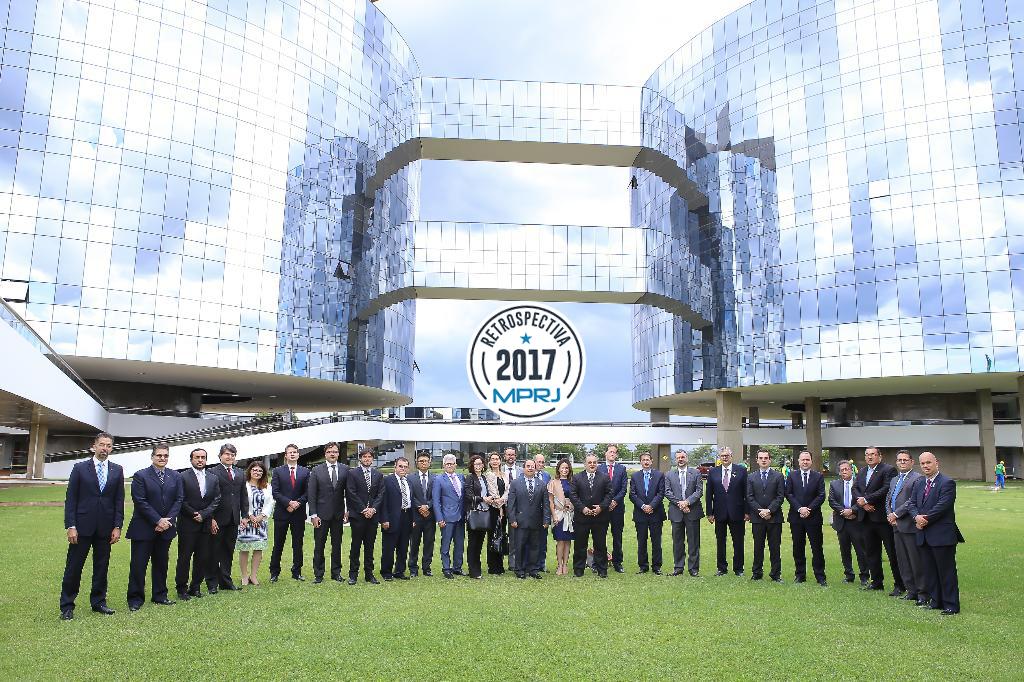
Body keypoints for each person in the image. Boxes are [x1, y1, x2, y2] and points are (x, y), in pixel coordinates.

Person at [60, 432, 125, 620]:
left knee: (101, 567)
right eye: (102, 444)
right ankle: (67, 606)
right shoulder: (80, 468)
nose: (105, 448)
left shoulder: (117, 470)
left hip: (106, 528)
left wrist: (117, 526)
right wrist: (71, 526)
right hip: (81, 527)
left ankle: (98, 602)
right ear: (94, 446)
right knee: (74, 567)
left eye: (108, 445)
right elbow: (71, 499)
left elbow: (119, 500)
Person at [126, 444, 183, 612]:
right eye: (159, 455)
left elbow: (179, 499)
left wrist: (167, 521)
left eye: (165, 455)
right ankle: (135, 599)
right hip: (144, 528)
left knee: (161, 563)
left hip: (166, 528)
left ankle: (160, 595)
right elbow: (140, 501)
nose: (162, 458)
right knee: (138, 565)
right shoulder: (140, 476)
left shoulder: (175, 476)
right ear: (152, 457)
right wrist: (157, 520)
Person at [909, 451, 963, 615]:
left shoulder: (947, 483)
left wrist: (924, 519)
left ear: (936, 463)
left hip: (942, 535)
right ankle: (936, 601)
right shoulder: (919, 483)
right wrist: (916, 517)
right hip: (924, 535)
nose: (925, 466)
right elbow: (911, 503)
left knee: (946, 572)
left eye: (928, 462)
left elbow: (943, 506)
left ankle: (951, 605)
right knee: (930, 571)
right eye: (922, 463)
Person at [852, 446, 902, 594]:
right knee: (871, 552)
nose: (870, 457)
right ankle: (876, 582)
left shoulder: (888, 470)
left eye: (873, 454)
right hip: (866, 519)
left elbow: (886, 488)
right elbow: (855, 488)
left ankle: (900, 584)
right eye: (867, 454)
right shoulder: (862, 471)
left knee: (892, 553)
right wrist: (863, 503)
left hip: (882, 519)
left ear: (880, 456)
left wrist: (867, 499)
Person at [175, 448, 221, 600]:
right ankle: (181, 589)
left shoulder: (213, 478)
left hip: (205, 524)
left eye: (203, 457)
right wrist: (194, 514)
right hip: (187, 524)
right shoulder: (182, 476)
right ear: (191, 459)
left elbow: (216, 499)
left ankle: (195, 587)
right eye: (197, 457)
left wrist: (204, 514)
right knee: (184, 557)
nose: (200, 460)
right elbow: (180, 499)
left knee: (202, 557)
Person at [206, 443, 247, 593]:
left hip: (233, 518)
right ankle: (212, 583)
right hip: (217, 519)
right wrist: (210, 518)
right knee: (213, 551)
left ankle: (225, 581)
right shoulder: (211, 472)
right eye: (227, 454)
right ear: (220, 456)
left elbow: (243, 495)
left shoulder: (240, 472)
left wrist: (245, 515)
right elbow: (208, 497)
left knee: (228, 551)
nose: (230, 457)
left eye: (232, 455)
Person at [886, 449, 925, 604]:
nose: (902, 462)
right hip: (896, 526)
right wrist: (890, 514)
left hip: (909, 525)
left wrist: (896, 514)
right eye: (899, 460)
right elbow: (888, 499)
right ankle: (911, 590)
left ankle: (922, 593)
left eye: (905, 460)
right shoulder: (894, 479)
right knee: (903, 561)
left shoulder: (917, 478)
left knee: (915, 561)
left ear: (911, 462)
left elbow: (912, 501)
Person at [785, 449, 827, 586]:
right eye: (803, 459)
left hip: (813, 517)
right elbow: (789, 494)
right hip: (796, 518)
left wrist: (809, 509)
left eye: (807, 459)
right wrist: (800, 508)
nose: (805, 462)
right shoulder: (792, 475)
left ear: (811, 461)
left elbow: (821, 495)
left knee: (817, 548)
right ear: (798, 461)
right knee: (798, 547)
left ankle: (820, 576)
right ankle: (800, 575)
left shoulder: (818, 476)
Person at [308, 442, 348, 584]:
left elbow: (349, 492)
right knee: (319, 545)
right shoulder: (316, 470)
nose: (332, 454)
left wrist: (347, 510)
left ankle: (336, 573)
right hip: (321, 515)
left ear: (338, 454)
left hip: (338, 514)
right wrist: (313, 515)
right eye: (330, 451)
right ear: (325, 454)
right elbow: (312, 494)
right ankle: (318, 574)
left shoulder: (345, 469)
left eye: (335, 451)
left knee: (337, 545)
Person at [705, 446, 748, 576]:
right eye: (722, 455)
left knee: (738, 542)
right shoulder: (713, 472)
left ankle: (738, 569)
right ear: (719, 457)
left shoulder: (741, 470)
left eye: (727, 455)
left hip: (738, 512)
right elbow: (709, 494)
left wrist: (747, 512)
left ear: (731, 456)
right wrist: (709, 513)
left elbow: (747, 493)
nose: (724, 457)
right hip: (719, 512)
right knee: (720, 542)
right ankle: (721, 568)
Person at [568, 454, 613, 578]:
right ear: (585, 464)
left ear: (597, 464)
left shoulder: (604, 477)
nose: (592, 464)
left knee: (600, 545)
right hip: (582, 517)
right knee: (580, 545)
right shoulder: (577, 478)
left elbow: (609, 494)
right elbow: (573, 495)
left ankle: (602, 570)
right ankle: (578, 570)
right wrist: (583, 508)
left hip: (600, 517)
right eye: (589, 462)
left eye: (594, 462)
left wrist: (601, 507)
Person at [270, 444, 309, 582]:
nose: (292, 454)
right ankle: (274, 572)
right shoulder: (277, 471)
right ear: (285, 455)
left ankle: (297, 572)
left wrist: (297, 503)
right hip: (282, 513)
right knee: (278, 543)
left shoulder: (305, 472)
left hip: (298, 513)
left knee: (298, 544)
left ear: (298, 454)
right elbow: (275, 492)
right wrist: (288, 503)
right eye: (290, 452)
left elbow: (308, 492)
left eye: (295, 452)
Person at [345, 447, 385, 584]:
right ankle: (353, 575)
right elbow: (351, 493)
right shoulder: (352, 473)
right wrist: (363, 509)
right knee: (355, 546)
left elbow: (381, 494)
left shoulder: (378, 475)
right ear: (360, 458)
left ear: (372, 459)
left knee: (370, 546)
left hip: (372, 517)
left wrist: (373, 509)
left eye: (369, 457)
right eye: (364, 457)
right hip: (358, 516)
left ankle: (369, 574)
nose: (367, 459)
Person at [507, 458, 551, 579]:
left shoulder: (541, 484)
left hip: (536, 521)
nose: (530, 468)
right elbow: (511, 504)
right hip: (520, 521)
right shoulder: (515, 483)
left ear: (535, 468)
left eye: (532, 466)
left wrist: (546, 520)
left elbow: (546, 504)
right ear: (524, 468)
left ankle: (533, 570)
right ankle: (519, 570)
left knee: (535, 546)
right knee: (519, 546)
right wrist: (512, 519)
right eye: (528, 466)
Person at [663, 449, 703, 576]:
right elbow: (667, 492)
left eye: (682, 457)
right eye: (678, 457)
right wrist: (680, 503)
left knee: (694, 542)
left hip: (692, 511)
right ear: (675, 459)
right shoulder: (669, 474)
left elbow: (699, 491)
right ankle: (678, 567)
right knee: (677, 542)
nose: (680, 459)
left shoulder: (696, 473)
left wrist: (687, 502)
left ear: (687, 458)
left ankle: (693, 569)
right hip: (676, 512)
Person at [827, 460, 869, 584]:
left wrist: (852, 510)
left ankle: (864, 576)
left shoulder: (860, 484)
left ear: (851, 470)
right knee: (845, 550)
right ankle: (849, 575)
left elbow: (862, 500)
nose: (844, 471)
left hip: (856, 521)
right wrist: (843, 512)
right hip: (841, 522)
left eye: (847, 469)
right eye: (842, 470)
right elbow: (832, 501)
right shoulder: (834, 484)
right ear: (839, 472)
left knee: (861, 550)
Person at [747, 449, 784, 582]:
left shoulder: (778, 476)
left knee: (775, 547)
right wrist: (760, 511)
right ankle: (757, 573)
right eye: (761, 458)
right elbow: (749, 497)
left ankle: (775, 574)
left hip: (774, 518)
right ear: (757, 460)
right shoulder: (751, 477)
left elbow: (780, 496)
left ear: (770, 460)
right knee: (758, 547)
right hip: (757, 518)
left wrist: (769, 510)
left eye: (766, 458)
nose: (763, 460)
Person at [237, 460, 274, 586]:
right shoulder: (244, 484)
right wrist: (250, 515)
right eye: (254, 470)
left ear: (263, 473)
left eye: (260, 471)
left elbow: (270, 503)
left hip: (261, 522)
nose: (257, 472)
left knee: (258, 548)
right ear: (250, 471)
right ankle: (244, 576)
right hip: (246, 521)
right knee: (244, 548)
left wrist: (261, 516)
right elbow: (241, 501)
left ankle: (253, 576)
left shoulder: (267, 486)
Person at [628, 452, 665, 574]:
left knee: (656, 541)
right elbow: (632, 495)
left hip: (656, 513)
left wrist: (651, 506)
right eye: (643, 460)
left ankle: (657, 566)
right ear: (640, 462)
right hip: (640, 514)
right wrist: (643, 506)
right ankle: (643, 566)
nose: (646, 462)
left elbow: (661, 493)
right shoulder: (635, 476)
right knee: (642, 541)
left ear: (651, 461)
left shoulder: (659, 475)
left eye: (648, 459)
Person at [432, 454, 466, 579]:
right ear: (443, 465)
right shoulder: (438, 479)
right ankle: (446, 568)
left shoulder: (461, 477)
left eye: (452, 463)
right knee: (446, 545)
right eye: (447, 464)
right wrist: (439, 518)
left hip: (460, 516)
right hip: (446, 517)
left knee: (459, 544)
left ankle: (457, 567)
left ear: (456, 465)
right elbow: (436, 501)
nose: (450, 465)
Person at [380, 457, 414, 580]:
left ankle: (399, 571)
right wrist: (384, 519)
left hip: (406, 516)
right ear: (395, 466)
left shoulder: (408, 481)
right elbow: (383, 501)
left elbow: (411, 500)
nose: (403, 469)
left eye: (405, 467)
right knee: (389, 547)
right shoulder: (387, 480)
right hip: (392, 518)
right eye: (400, 466)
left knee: (403, 546)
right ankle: (386, 572)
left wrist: (413, 519)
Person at [598, 445, 628, 573]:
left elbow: (624, 488)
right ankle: (601, 561)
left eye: (614, 452)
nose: (612, 454)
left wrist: (615, 501)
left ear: (616, 455)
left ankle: (617, 562)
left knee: (617, 536)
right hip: (603, 508)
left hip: (617, 508)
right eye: (610, 451)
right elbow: (597, 488)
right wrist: (606, 503)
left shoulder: (622, 469)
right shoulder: (599, 468)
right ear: (605, 453)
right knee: (601, 535)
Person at [407, 452, 436, 577]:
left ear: (430, 462)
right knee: (414, 543)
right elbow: (410, 495)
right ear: (417, 463)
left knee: (429, 543)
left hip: (430, 515)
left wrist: (428, 506)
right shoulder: (410, 478)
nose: (424, 463)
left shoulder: (435, 478)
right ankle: (413, 568)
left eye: (426, 461)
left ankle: (426, 567)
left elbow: (436, 495)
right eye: (421, 461)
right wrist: (420, 506)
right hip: (415, 515)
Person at [462, 454, 489, 579]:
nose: (478, 466)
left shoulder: (484, 478)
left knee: (480, 543)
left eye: (480, 463)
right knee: (473, 543)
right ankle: (473, 570)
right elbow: (468, 496)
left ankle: (477, 568)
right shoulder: (470, 478)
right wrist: (483, 499)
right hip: (474, 513)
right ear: (472, 465)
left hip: (484, 513)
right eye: (476, 464)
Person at [548, 458, 575, 575]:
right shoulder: (553, 483)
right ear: (558, 469)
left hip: (570, 515)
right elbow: (550, 501)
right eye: (562, 468)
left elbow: (576, 498)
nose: (565, 470)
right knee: (560, 540)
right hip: (559, 515)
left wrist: (571, 506)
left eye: (567, 468)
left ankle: (565, 565)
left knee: (568, 540)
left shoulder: (573, 482)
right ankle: (559, 565)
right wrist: (554, 515)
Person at [484, 452, 509, 575]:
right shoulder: (488, 475)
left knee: (501, 535)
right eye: (492, 459)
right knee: (493, 536)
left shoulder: (505, 475)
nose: (495, 461)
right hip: (493, 509)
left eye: (497, 459)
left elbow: (507, 491)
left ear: (500, 461)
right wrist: (499, 506)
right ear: (489, 462)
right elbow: (492, 492)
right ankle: (493, 566)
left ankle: (500, 565)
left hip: (504, 508)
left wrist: (502, 502)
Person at [501, 447, 522, 573]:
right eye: (508, 454)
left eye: (512, 455)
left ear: (515, 456)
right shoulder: (499, 470)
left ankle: (513, 563)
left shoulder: (521, 471)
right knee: (500, 535)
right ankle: (498, 563)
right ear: (504, 456)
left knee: (515, 536)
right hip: (500, 507)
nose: (510, 457)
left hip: (517, 508)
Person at [532, 454, 551, 572]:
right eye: (539, 462)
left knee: (543, 540)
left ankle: (541, 564)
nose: (541, 464)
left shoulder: (547, 476)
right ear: (534, 462)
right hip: (531, 512)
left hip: (544, 512)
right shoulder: (528, 474)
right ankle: (531, 563)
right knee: (531, 540)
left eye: (543, 462)